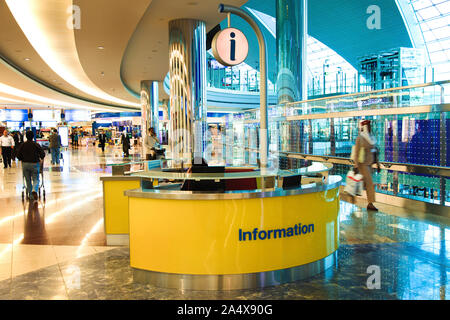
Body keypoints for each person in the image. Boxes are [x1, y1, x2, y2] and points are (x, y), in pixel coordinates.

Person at [352, 119, 380, 211]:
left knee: (363, 183)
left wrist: (378, 164)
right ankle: (370, 203)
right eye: (368, 126)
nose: (370, 127)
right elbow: (356, 152)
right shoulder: (360, 138)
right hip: (362, 164)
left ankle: (353, 196)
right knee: (370, 184)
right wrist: (356, 166)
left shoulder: (371, 137)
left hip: (370, 164)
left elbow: (375, 151)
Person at [16, 131, 45, 201]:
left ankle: (31, 196)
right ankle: (35, 190)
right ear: (33, 136)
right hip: (35, 163)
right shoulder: (36, 144)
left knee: (28, 180)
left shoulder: (23, 145)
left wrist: (22, 158)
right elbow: (42, 154)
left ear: (26, 136)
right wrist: (40, 157)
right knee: (36, 178)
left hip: (25, 164)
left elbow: (18, 155)